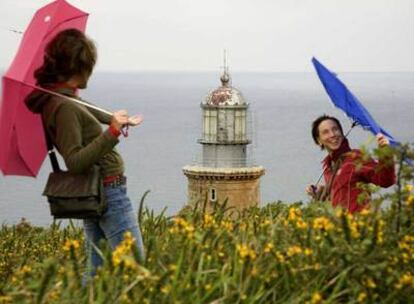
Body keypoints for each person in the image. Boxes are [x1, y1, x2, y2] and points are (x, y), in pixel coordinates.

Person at [25, 29, 145, 277]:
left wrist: (117, 120)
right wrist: (111, 133)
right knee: (136, 269)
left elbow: (86, 110)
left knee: (96, 273)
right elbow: (75, 161)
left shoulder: (62, 99)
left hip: (98, 192)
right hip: (108, 193)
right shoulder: (63, 106)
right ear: (78, 66)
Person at [305, 115, 396, 213]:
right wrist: (322, 190)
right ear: (319, 141)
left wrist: (385, 152)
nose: (332, 134)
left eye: (335, 129)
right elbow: (341, 191)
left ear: (342, 133)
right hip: (341, 226)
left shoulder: (356, 157)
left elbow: (385, 180)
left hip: (361, 224)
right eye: (325, 132)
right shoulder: (329, 166)